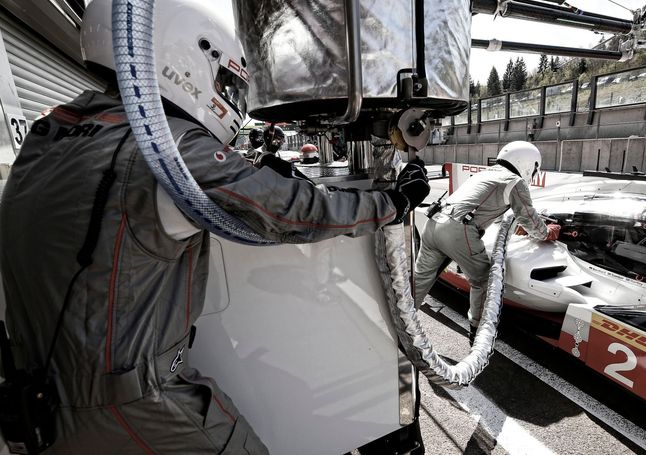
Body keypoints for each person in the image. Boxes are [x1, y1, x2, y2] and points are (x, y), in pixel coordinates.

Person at [0, 0, 429, 453]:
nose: (230, 102)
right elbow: (291, 211)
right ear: (187, 60)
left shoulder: (52, 133)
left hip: (34, 401)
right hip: (132, 401)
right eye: (228, 84)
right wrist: (393, 202)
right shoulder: (166, 150)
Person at [413, 141, 560, 345]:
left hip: (435, 223)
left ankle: (398, 321)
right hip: (459, 230)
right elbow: (529, 217)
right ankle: (477, 333)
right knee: (482, 280)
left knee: (420, 280)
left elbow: (484, 206)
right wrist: (546, 233)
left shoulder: (485, 174)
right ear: (528, 163)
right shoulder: (515, 182)